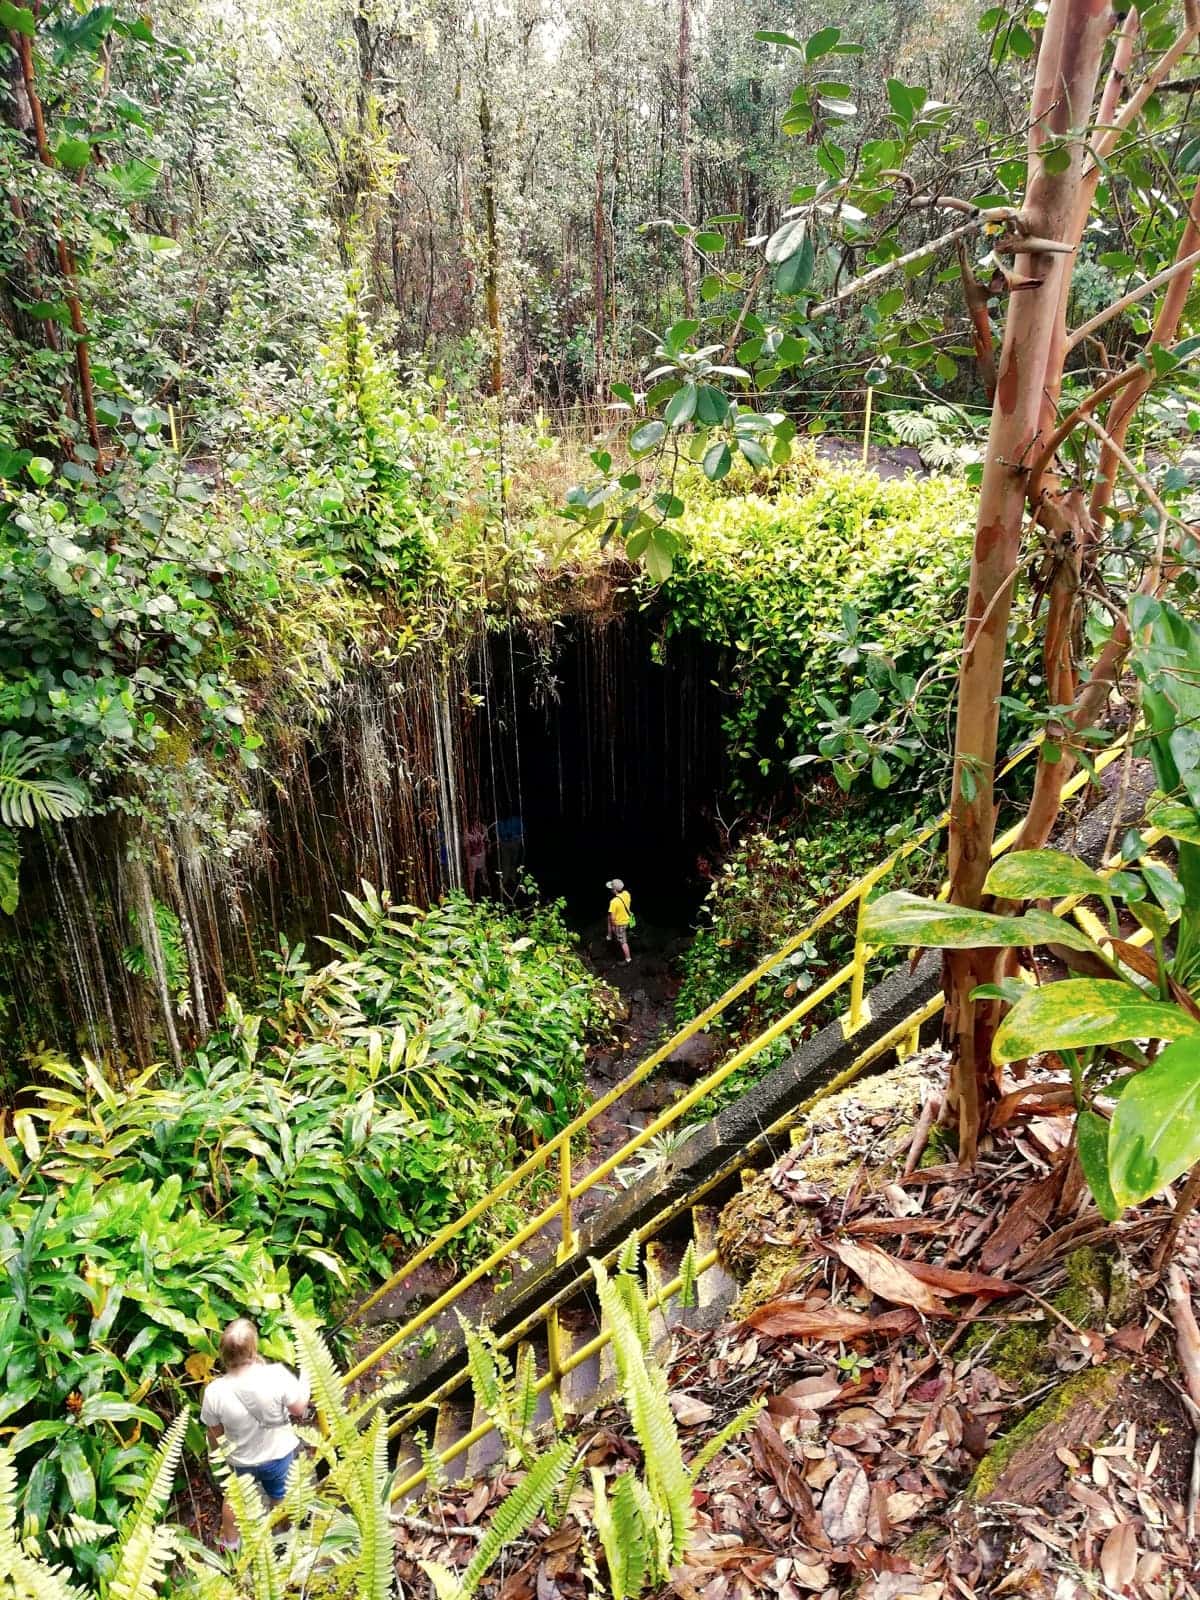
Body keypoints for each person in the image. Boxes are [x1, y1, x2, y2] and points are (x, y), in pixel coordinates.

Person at [201, 1317, 310, 1550]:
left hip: (239, 1461)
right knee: (279, 1495)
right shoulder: (276, 1375)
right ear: (254, 1348)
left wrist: (215, 1456)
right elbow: (299, 1409)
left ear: (223, 1353)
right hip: (278, 1455)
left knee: (233, 1499)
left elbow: (215, 1433)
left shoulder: (214, 1391)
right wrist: (306, 1380)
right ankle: (282, 1536)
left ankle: (230, 1544)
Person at [606, 878, 633, 964]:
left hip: (620, 924)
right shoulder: (627, 894)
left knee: (623, 942)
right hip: (627, 920)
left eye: (611, 888)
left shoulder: (614, 902)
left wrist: (613, 927)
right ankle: (611, 936)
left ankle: (628, 959)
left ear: (614, 890)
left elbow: (612, 918)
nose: (610, 890)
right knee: (609, 918)